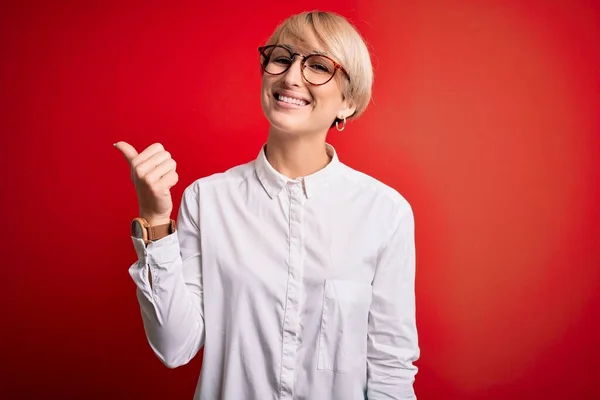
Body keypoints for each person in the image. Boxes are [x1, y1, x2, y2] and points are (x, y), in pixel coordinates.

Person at [114, 10, 419, 400]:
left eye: (318, 65)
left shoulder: (384, 213)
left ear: (348, 102)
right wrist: (156, 220)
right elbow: (175, 347)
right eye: (281, 57)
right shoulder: (208, 200)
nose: (291, 76)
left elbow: (391, 367)